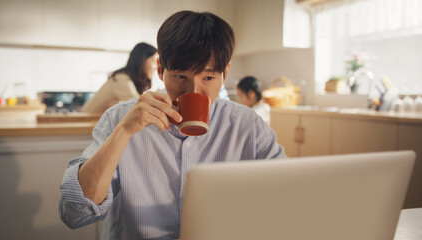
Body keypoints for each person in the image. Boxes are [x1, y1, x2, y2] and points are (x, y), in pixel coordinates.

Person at [59, 10, 286, 239]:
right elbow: (75, 213)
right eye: (180, 77)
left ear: (224, 74)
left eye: (208, 78)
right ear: (160, 70)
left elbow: (288, 198)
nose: (193, 91)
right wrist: (124, 132)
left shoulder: (248, 127)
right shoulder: (120, 119)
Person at [81, 42, 158, 113]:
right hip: (84, 121)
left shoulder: (126, 78)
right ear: (143, 60)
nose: (157, 67)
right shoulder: (121, 79)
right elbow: (139, 106)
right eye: (155, 61)